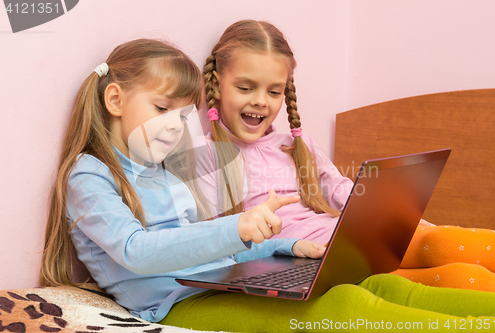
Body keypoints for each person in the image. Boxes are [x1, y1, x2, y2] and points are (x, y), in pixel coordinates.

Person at [199, 19, 495, 294]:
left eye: (274, 92)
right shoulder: (205, 158)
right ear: (216, 83)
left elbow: (346, 193)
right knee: (457, 277)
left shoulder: (294, 145)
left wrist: (409, 222)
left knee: (443, 242)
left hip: (351, 244)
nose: (260, 101)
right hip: (315, 259)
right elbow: (208, 241)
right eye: (245, 87)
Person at [39, 38, 323, 324]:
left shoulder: (165, 174)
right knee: (344, 306)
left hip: (217, 288)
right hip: (176, 303)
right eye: (162, 108)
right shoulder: (89, 175)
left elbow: (210, 252)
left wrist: (283, 247)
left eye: (183, 114)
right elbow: (134, 251)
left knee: (352, 290)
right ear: (115, 100)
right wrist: (235, 227)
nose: (176, 124)